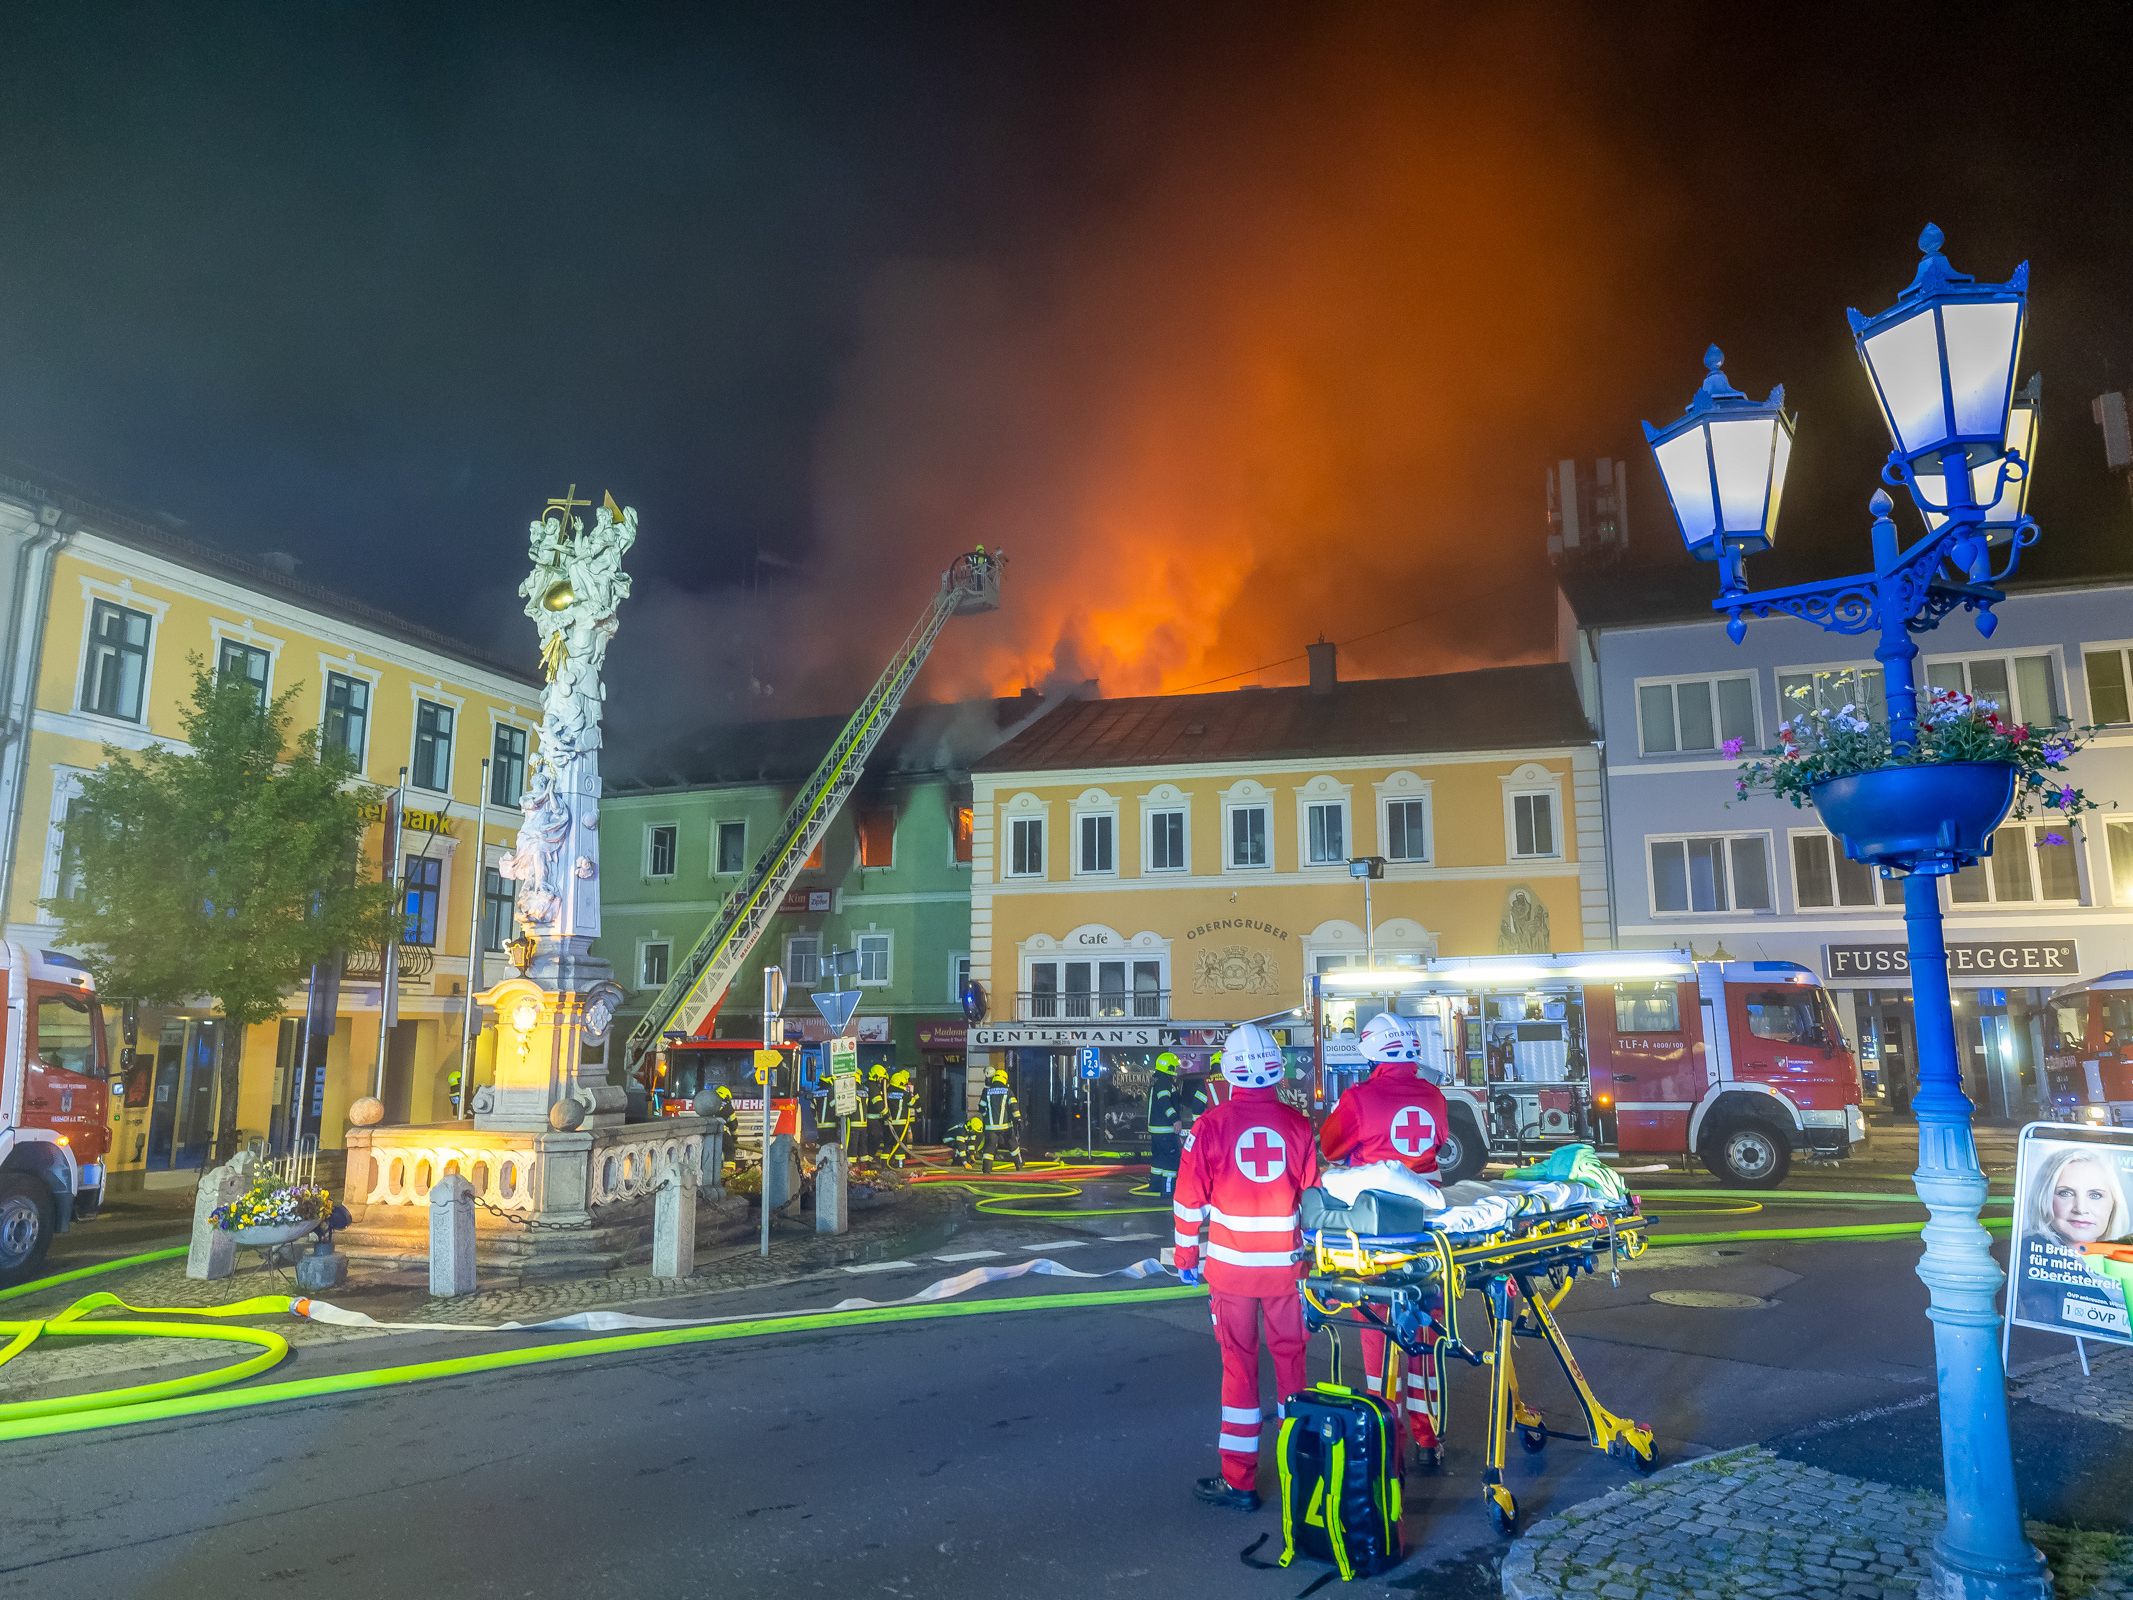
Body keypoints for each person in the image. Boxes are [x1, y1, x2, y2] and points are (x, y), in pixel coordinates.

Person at [1173, 1022, 1318, 1513]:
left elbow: (1188, 1200)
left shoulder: (1209, 1126)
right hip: (1288, 1272)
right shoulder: (1299, 1127)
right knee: (1292, 1365)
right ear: (1276, 1069)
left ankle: (1240, 1482)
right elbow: (1315, 1203)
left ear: (1228, 1071)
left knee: (1238, 1369)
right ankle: (1306, 1472)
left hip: (1231, 1274)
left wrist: (1186, 1257)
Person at [1318, 1012, 1452, 1460]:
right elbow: (1438, 1142)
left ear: (1371, 1050)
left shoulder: (1359, 1097)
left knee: (1379, 1331)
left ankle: (1386, 1439)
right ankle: (1427, 1433)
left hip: (1376, 1238)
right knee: (1423, 1331)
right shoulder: (1433, 1095)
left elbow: (1331, 1147)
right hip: (1428, 1235)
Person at [2012, 1146, 2133, 1334]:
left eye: (2095, 1195)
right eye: (2066, 1193)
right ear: (2043, 1197)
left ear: (2113, 1203)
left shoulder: (2123, 1255)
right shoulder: (2026, 1258)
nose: (2081, 1208)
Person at [1147, 1051, 1185, 1196]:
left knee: (1158, 1161)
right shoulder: (1164, 1083)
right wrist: (1175, 1119)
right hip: (1164, 1130)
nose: (1176, 1069)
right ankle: (1168, 1191)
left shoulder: (1158, 1081)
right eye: (1174, 1067)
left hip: (1157, 1130)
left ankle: (1155, 1188)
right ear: (1169, 1067)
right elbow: (1165, 1102)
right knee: (1170, 1161)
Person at [981, 1067, 1025, 1172]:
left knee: (989, 1148)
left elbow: (981, 1108)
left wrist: (987, 1117)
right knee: (1013, 1145)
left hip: (990, 1127)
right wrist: (1018, 1119)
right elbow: (1014, 1107)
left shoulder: (986, 1091)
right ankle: (1019, 1164)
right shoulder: (1008, 1091)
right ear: (1005, 1079)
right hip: (1006, 1126)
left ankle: (986, 1170)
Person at [883, 1068, 918, 1168]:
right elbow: (912, 1103)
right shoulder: (905, 1094)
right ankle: (899, 1166)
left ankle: (885, 1165)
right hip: (901, 1124)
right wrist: (911, 1094)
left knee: (887, 1145)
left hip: (888, 1123)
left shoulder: (886, 1092)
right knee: (900, 1146)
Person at [863, 1065, 891, 1159]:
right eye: (882, 1078)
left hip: (866, 1120)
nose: (882, 1081)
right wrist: (886, 1114)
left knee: (866, 1141)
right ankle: (869, 1159)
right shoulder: (873, 1087)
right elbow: (878, 1104)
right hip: (873, 1120)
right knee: (876, 1139)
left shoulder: (866, 1085)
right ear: (877, 1077)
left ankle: (866, 1159)